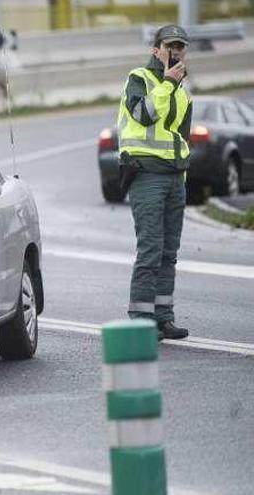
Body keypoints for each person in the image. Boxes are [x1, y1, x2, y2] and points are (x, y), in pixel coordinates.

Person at [117, 24, 192, 340]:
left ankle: (163, 318)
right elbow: (143, 115)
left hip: (174, 178)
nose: (175, 51)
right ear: (156, 49)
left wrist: (182, 173)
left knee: (168, 253)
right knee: (150, 249)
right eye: (170, 45)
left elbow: (182, 138)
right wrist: (166, 83)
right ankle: (140, 318)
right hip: (147, 175)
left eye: (180, 46)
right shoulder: (140, 79)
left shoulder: (182, 90)